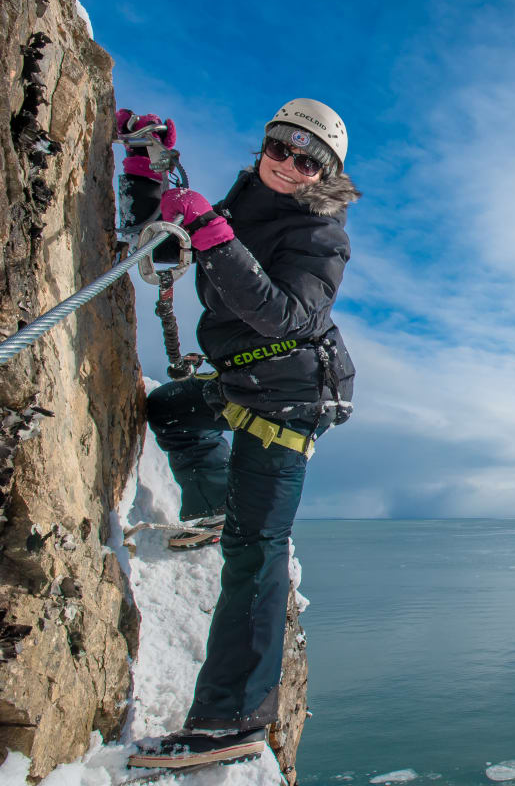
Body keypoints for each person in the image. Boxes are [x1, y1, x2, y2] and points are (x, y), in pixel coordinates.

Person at [120, 99, 360, 768]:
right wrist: (146, 171)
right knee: (171, 409)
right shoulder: (242, 199)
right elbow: (153, 234)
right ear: (266, 144)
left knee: (256, 550)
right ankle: (209, 509)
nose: (288, 164)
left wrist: (215, 237)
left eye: (307, 159)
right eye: (281, 146)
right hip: (243, 382)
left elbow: (284, 314)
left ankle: (231, 720)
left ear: (325, 174)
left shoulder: (323, 234)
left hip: (292, 397)